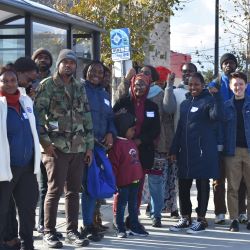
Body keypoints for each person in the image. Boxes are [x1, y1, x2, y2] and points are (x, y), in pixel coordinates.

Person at [34, 49, 94, 248]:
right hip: (56, 148)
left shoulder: (79, 87)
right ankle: (49, 232)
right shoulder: (47, 86)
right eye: (65, 62)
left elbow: (86, 116)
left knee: (74, 191)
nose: (69, 65)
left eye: (72, 63)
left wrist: (89, 146)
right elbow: (38, 117)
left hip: (77, 148)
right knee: (54, 190)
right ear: (58, 64)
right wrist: (45, 143)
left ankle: (71, 231)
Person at [169, 72, 223, 234]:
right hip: (185, 152)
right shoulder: (185, 104)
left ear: (203, 85)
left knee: (202, 185)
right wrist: (173, 149)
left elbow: (216, 116)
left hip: (202, 152)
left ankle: (201, 219)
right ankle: (185, 217)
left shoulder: (209, 101)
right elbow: (180, 129)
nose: (193, 87)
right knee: (183, 185)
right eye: (191, 84)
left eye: (196, 84)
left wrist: (218, 98)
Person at [113, 73, 160, 231]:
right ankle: (117, 219)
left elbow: (156, 129)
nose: (139, 87)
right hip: (123, 150)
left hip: (143, 151)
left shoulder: (152, 106)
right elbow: (114, 121)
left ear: (148, 87)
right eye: (136, 84)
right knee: (121, 187)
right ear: (131, 85)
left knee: (137, 187)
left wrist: (140, 140)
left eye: (143, 85)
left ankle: (133, 219)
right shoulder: (123, 103)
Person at [0, 66, 40, 250]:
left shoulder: (26, 102)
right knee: (3, 210)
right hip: (5, 167)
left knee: (28, 208)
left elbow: (35, 129)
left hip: (27, 166)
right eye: (5, 81)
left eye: (12, 80)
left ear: (18, 82)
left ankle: (28, 243)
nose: (9, 84)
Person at [210, 53, 248, 224]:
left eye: (231, 63)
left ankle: (243, 213)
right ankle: (224, 214)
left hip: (245, 146)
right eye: (225, 63)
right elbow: (215, 117)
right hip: (224, 144)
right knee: (224, 182)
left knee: (243, 184)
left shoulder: (246, 93)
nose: (228, 65)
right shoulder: (216, 86)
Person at [80, 60, 116, 241]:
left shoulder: (104, 94)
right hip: (84, 146)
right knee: (88, 186)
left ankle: (91, 222)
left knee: (94, 185)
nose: (96, 74)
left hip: (100, 147)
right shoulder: (80, 89)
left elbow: (110, 118)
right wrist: (87, 143)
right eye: (92, 70)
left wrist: (111, 132)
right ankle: (86, 224)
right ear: (86, 72)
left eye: (100, 72)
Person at [145, 67, 176, 227]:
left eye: (147, 73)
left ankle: (156, 214)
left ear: (154, 77)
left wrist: (169, 86)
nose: (144, 76)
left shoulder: (160, 92)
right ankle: (131, 215)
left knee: (156, 180)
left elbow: (169, 111)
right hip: (138, 144)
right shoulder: (135, 91)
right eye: (141, 72)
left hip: (158, 143)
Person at [109, 112, 146, 238]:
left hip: (135, 180)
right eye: (131, 130)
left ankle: (134, 226)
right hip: (123, 182)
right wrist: (113, 182)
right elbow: (113, 165)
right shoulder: (117, 145)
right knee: (121, 205)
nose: (133, 132)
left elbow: (136, 160)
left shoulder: (131, 142)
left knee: (134, 204)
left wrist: (139, 175)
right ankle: (120, 227)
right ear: (123, 129)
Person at [222, 72, 250, 232]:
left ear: (246, 86)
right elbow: (221, 130)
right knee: (232, 187)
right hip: (232, 152)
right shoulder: (226, 106)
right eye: (235, 84)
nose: (238, 87)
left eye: (241, 84)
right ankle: (233, 219)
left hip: (249, 151)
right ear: (231, 87)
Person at [32, 48, 55, 234]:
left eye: (46, 57)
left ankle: (42, 223)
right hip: (28, 137)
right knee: (28, 186)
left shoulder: (55, 82)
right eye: (39, 57)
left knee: (45, 185)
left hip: (46, 138)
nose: (43, 60)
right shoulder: (28, 81)